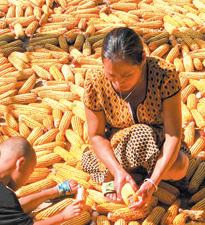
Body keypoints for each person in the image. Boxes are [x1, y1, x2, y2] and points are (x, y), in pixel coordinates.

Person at [82, 27, 191, 210]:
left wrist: (154, 181)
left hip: (157, 141)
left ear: (142, 59)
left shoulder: (164, 75)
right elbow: (96, 136)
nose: (118, 83)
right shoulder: (95, 82)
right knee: (134, 138)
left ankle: (144, 175)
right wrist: (116, 170)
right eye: (111, 75)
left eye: (126, 75)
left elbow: (173, 135)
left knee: (179, 166)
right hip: (116, 147)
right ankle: (117, 175)